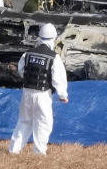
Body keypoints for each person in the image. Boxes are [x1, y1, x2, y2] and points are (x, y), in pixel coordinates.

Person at [9, 23, 69, 155]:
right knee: (43, 123)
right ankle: (39, 153)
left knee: (24, 121)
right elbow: (58, 78)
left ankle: (14, 150)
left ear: (39, 37)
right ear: (53, 38)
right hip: (43, 94)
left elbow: (21, 70)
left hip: (27, 93)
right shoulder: (54, 57)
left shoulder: (27, 54)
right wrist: (63, 95)